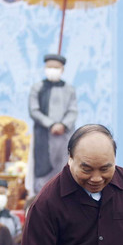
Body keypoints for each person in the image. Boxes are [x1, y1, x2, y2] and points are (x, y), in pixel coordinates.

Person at [29, 54, 78, 194]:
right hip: (44, 136)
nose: (52, 70)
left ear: (62, 69)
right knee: (43, 169)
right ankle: (41, 199)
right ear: (45, 68)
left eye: (56, 67)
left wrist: (62, 125)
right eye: (50, 67)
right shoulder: (37, 88)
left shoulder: (69, 89)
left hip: (64, 136)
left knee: (63, 167)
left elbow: (73, 111)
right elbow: (34, 110)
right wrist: (51, 124)